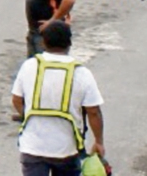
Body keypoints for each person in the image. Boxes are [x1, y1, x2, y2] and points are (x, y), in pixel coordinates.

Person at [12, 20, 105, 176]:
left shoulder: (29, 66)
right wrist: (99, 141)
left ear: (43, 43)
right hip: (66, 149)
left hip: (33, 147)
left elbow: (16, 100)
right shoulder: (81, 73)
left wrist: (29, 117)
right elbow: (93, 112)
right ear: (69, 44)